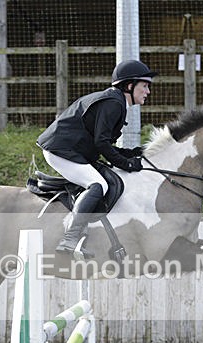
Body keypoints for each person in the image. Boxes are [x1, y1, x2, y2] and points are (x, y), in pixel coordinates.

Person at [37, 59, 156, 258]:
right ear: (129, 85)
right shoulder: (114, 103)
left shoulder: (115, 101)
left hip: (71, 149)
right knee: (98, 184)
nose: (148, 91)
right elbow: (102, 143)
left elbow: (104, 143)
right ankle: (70, 239)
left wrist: (130, 153)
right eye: (144, 86)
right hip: (61, 149)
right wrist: (125, 163)